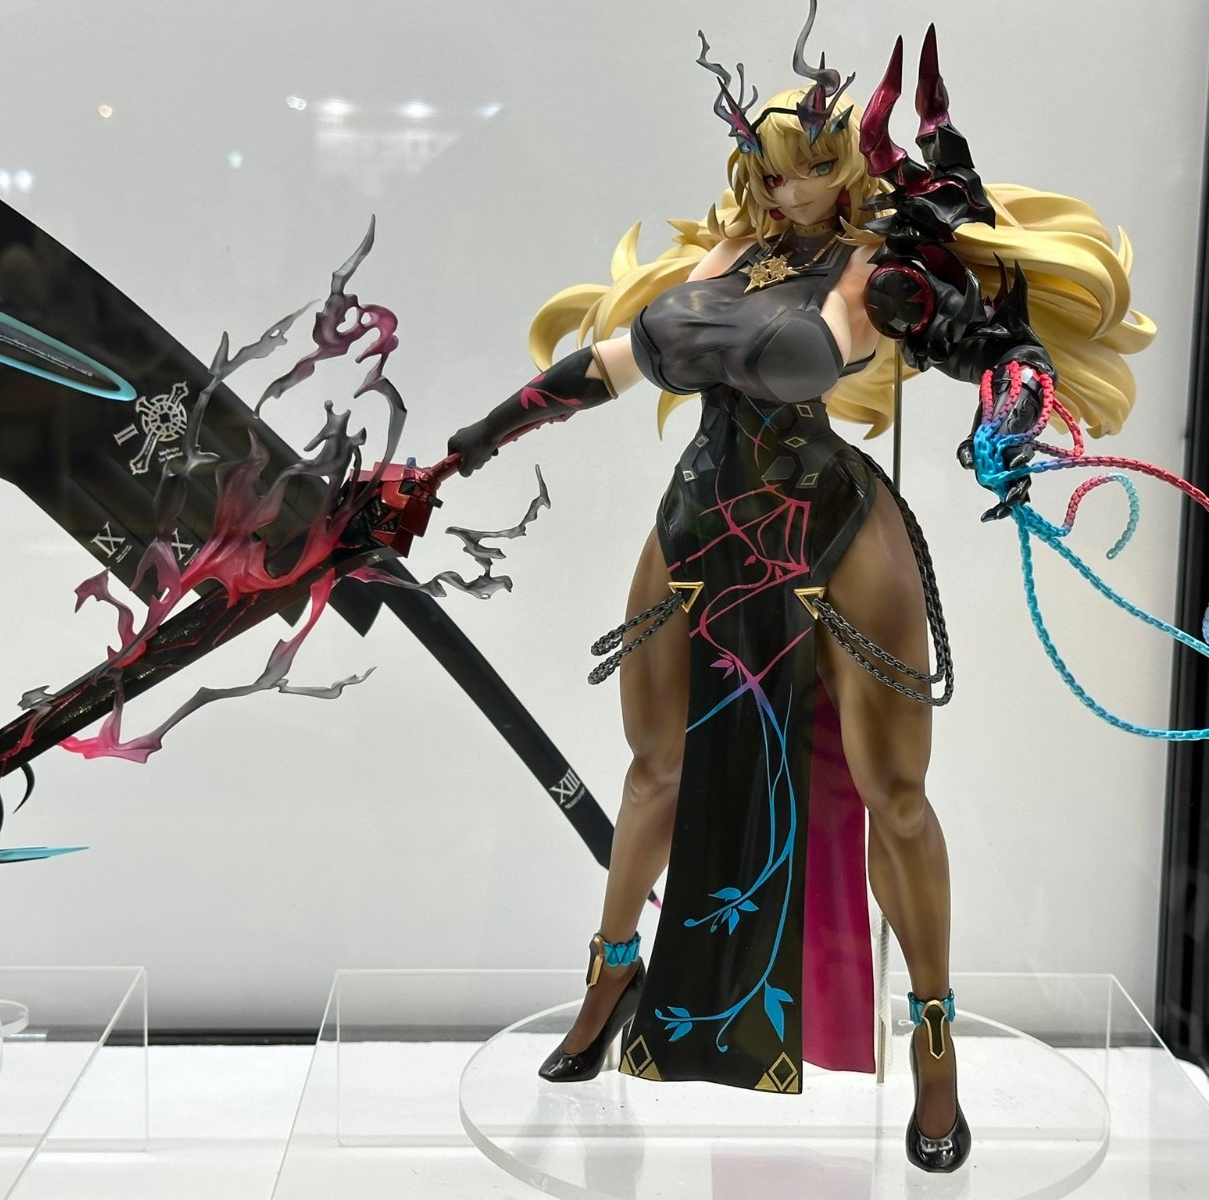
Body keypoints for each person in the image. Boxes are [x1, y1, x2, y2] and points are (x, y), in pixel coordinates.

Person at [448, 5, 1153, 1173]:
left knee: (894, 795)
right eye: (777, 168)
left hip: (829, 525)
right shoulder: (723, 260)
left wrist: (1010, 401)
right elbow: (614, 363)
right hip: (700, 521)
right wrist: (464, 448)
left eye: (818, 162)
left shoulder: (881, 268)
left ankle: (934, 1039)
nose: (796, 186)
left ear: (847, 165)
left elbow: (969, 351)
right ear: (755, 173)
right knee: (655, 770)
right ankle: (613, 977)